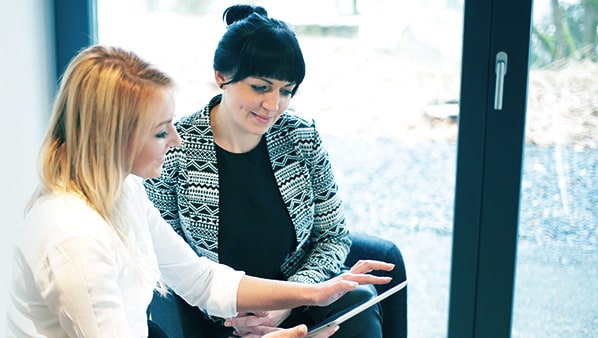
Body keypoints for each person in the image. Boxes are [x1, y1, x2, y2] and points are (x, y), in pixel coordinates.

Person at [5, 44, 395, 338]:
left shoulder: (123, 191)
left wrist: (312, 294)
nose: (176, 141)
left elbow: (201, 279)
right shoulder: (74, 240)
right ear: (113, 139)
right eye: (161, 131)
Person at [143, 4, 391, 338]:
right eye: (260, 87)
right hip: (218, 315)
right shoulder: (175, 148)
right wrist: (238, 315)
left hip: (300, 300)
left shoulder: (301, 137)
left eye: (286, 91)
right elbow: (170, 261)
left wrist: (285, 302)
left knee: (360, 302)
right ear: (221, 76)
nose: (273, 105)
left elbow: (331, 237)